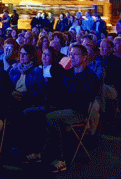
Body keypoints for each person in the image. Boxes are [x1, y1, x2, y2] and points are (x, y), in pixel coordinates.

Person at [43, 43, 99, 174]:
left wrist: (63, 98)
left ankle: (62, 157)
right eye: (70, 54)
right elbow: (59, 92)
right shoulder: (67, 74)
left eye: (75, 54)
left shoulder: (90, 76)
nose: (71, 57)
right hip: (63, 108)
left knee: (51, 118)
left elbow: (81, 99)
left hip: (78, 112)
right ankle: (37, 151)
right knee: (31, 113)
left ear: (84, 57)